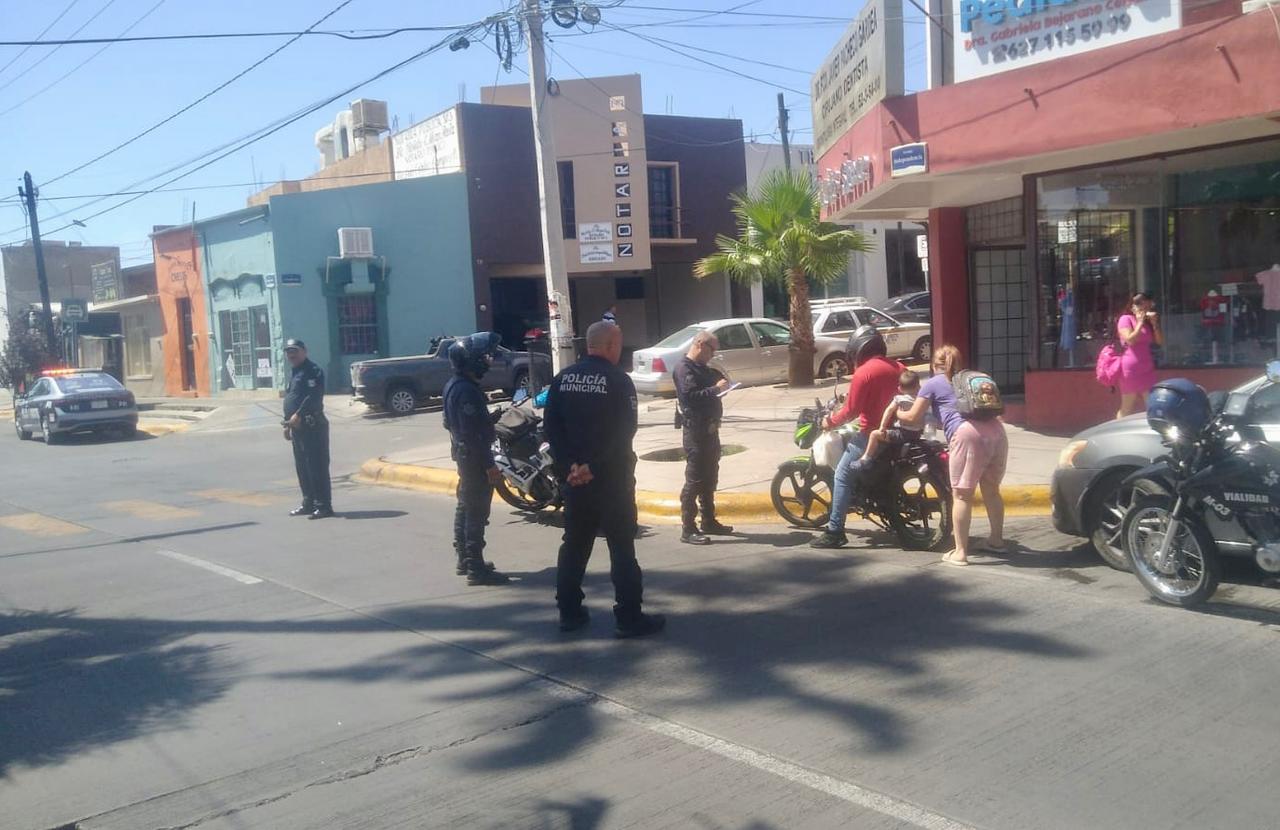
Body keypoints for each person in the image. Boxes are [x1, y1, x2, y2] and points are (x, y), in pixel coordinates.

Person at [545, 321, 664, 638]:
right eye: (619, 344)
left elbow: (552, 429)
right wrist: (593, 466)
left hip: (575, 482)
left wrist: (571, 466)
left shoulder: (562, 379)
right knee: (621, 548)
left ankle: (569, 612)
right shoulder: (618, 380)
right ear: (610, 346)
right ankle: (629, 617)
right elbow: (624, 432)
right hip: (612, 481)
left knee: (574, 545)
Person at [899, 345, 1007, 566]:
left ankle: (960, 552)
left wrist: (896, 411)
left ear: (933, 364)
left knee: (961, 495)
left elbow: (912, 417)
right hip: (997, 432)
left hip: (968, 435)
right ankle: (996, 540)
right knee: (992, 490)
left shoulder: (933, 383)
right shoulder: (976, 377)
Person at [810, 326, 905, 549]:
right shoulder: (899, 367)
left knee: (842, 475)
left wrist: (829, 421)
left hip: (872, 434)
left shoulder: (863, 372)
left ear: (858, 349)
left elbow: (850, 412)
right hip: (898, 433)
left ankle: (835, 532)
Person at [442, 333, 509, 586]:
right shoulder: (467, 391)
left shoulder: (454, 385)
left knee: (466, 506)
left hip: (464, 455)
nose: (487, 361)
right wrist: (489, 465)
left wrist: (488, 420)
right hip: (474, 458)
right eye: (483, 357)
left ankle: (464, 559)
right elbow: (473, 435)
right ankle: (476, 568)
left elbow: (454, 423)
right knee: (476, 512)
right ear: (471, 361)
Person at [673, 330, 734, 545]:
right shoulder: (684, 368)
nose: (712, 354)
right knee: (695, 480)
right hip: (696, 432)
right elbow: (690, 396)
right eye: (712, 350)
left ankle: (708, 520)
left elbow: (711, 387)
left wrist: (722, 387)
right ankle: (688, 528)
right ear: (700, 344)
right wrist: (715, 389)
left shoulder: (703, 369)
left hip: (710, 430)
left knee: (709, 477)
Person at [283, 339, 333, 519]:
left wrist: (299, 414)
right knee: (302, 467)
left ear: (304, 351)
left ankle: (324, 506)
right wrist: (287, 424)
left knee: (316, 466)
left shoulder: (313, 371)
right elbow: (292, 397)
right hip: (297, 428)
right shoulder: (295, 372)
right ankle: (308, 503)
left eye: (295, 351)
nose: (292, 355)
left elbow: (313, 396)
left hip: (313, 425)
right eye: (289, 352)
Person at [859, 369, 922, 466]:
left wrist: (882, 427)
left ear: (900, 389)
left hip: (902, 433)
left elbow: (889, 411)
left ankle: (865, 458)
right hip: (917, 433)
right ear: (918, 386)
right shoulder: (921, 399)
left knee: (874, 434)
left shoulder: (899, 399)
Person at [1116, 292, 1163, 419]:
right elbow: (1130, 340)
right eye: (1141, 306)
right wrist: (1140, 322)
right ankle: (1119, 429)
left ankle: (1152, 427)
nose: (1145, 310)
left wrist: (1154, 324)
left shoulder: (1148, 323)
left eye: (1147, 307)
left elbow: (1159, 342)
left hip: (1147, 367)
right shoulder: (1125, 319)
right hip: (1131, 369)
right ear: (1133, 307)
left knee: (1152, 405)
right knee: (1127, 408)